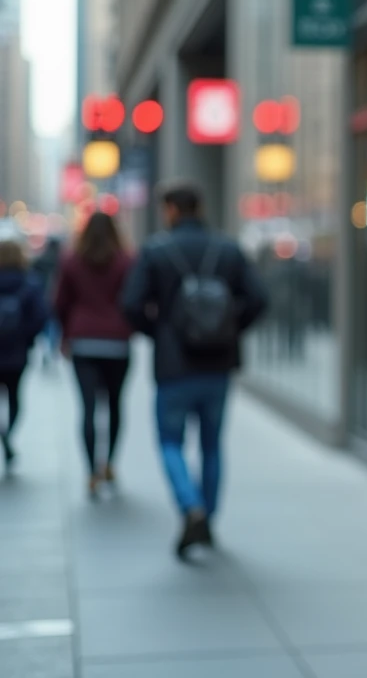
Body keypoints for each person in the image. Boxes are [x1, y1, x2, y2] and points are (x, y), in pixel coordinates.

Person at [121, 182, 267, 558]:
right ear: (200, 207)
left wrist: (161, 333)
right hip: (217, 364)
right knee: (211, 445)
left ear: (171, 210)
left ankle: (191, 507)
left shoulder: (156, 251)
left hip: (174, 366)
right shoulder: (228, 249)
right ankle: (208, 519)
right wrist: (231, 328)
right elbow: (258, 299)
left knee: (170, 441)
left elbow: (131, 304)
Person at [54, 213, 134, 497]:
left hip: (83, 340)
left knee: (88, 409)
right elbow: (134, 299)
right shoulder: (125, 261)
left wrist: (65, 336)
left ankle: (91, 472)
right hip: (117, 342)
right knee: (114, 405)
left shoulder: (72, 261)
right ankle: (110, 463)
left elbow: (60, 302)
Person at [0, 239, 49, 470]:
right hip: (17, 352)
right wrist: (26, 338)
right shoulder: (29, 283)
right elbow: (40, 316)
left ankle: (4, 437)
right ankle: (8, 435)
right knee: (14, 397)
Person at [30, 237, 62, 367]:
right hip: (54, 297)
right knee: (54, 326)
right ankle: (51, 348)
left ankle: (46, 348)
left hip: (42, 297)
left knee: (46, 326)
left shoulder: (40, 260)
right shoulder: (62, 261)